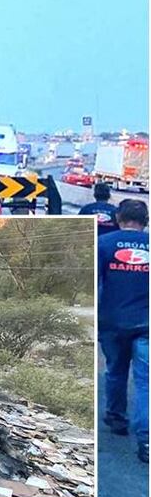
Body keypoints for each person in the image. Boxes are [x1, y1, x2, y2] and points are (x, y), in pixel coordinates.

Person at [97, 198, 149, 463]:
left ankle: (117, 419)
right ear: (145, 221)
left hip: (112, 323)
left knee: (116, 372)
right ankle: (147, 441)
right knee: (145, 382)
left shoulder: (104, 243)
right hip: (146, 325)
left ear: (118, 218)